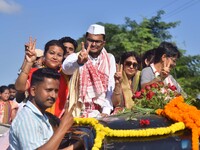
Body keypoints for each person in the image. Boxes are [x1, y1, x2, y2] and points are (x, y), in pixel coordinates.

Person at [9, 68, 81, 150]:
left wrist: (76, 146)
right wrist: (63, 128)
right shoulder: (27, 119)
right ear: (33, 91)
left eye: (56, 91)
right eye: (49, 90)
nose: (53, 95)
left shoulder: (43, 117)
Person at [62, 24, 116, 118]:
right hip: (78, 112)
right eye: (90, 40)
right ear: (85, 39)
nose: (93, 44)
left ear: (103, 43)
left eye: (97, 41)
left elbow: (111, 85)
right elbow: (65, 69)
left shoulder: (109, 58)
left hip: (102, 113)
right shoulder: (76, 56)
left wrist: (106, 110)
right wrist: (78, 62)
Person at [15, 37, 69, 117]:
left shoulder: (66, 75)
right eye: (51, 53)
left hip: (57, 122)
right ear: (45, 55)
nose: (55, 57)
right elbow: (20, 88)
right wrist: (29, 62)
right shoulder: (34, 72)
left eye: (59, 55)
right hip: (34, 118)